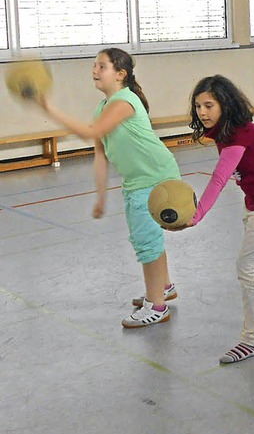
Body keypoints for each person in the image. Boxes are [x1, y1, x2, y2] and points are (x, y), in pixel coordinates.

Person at [33, 48, 181, 328]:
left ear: (121, 74)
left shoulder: (124, 101)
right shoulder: (103, 107)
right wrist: (100, 197)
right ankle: (164, 286)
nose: (95, 71)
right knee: (149, 238)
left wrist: (48, 108)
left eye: (102, 66)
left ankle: (157, 306)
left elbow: (90, 133)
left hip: (154, 178)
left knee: (146, 242)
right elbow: (100, 154)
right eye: (94, 66)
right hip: (140, 180)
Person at [173, 75, 254, 364]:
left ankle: (252, 339)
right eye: (198, 106)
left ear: (225, 105)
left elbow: (219, 178)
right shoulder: (227, 130)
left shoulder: (237, 135)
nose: (202, 112)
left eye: (209, 105)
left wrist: (196, 215)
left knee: (249, 266)